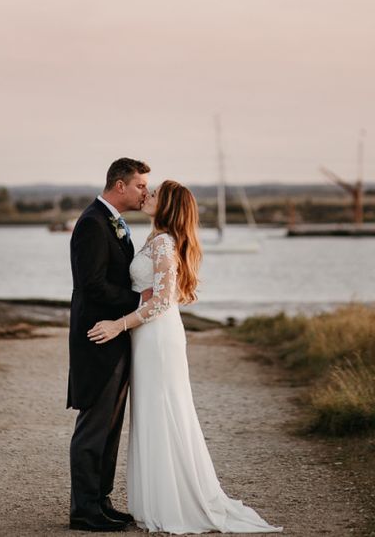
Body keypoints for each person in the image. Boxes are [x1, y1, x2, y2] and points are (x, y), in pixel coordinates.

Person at [88, 180, 284, 534]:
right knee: (153, 411)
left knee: (165, 411)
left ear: (168, 207)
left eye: (155, 194)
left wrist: (118, 325)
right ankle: (159, 497)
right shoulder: (155, 238)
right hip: (148, 335)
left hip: (158, 337)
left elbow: (162, 301)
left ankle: (176, 501)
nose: (147, 195)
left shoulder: (163, 242)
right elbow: (149, 292)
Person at [67, 157, 153, 532]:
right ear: (120, 185)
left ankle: (101, 501)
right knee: (93, 427)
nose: (144, 192)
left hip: (115, 337)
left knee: (111, 427)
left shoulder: (112, 223)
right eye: (139, 186)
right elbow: (93, 286)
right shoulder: (91, 224)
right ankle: (83, 510)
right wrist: (139, 304)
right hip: (97, 339)